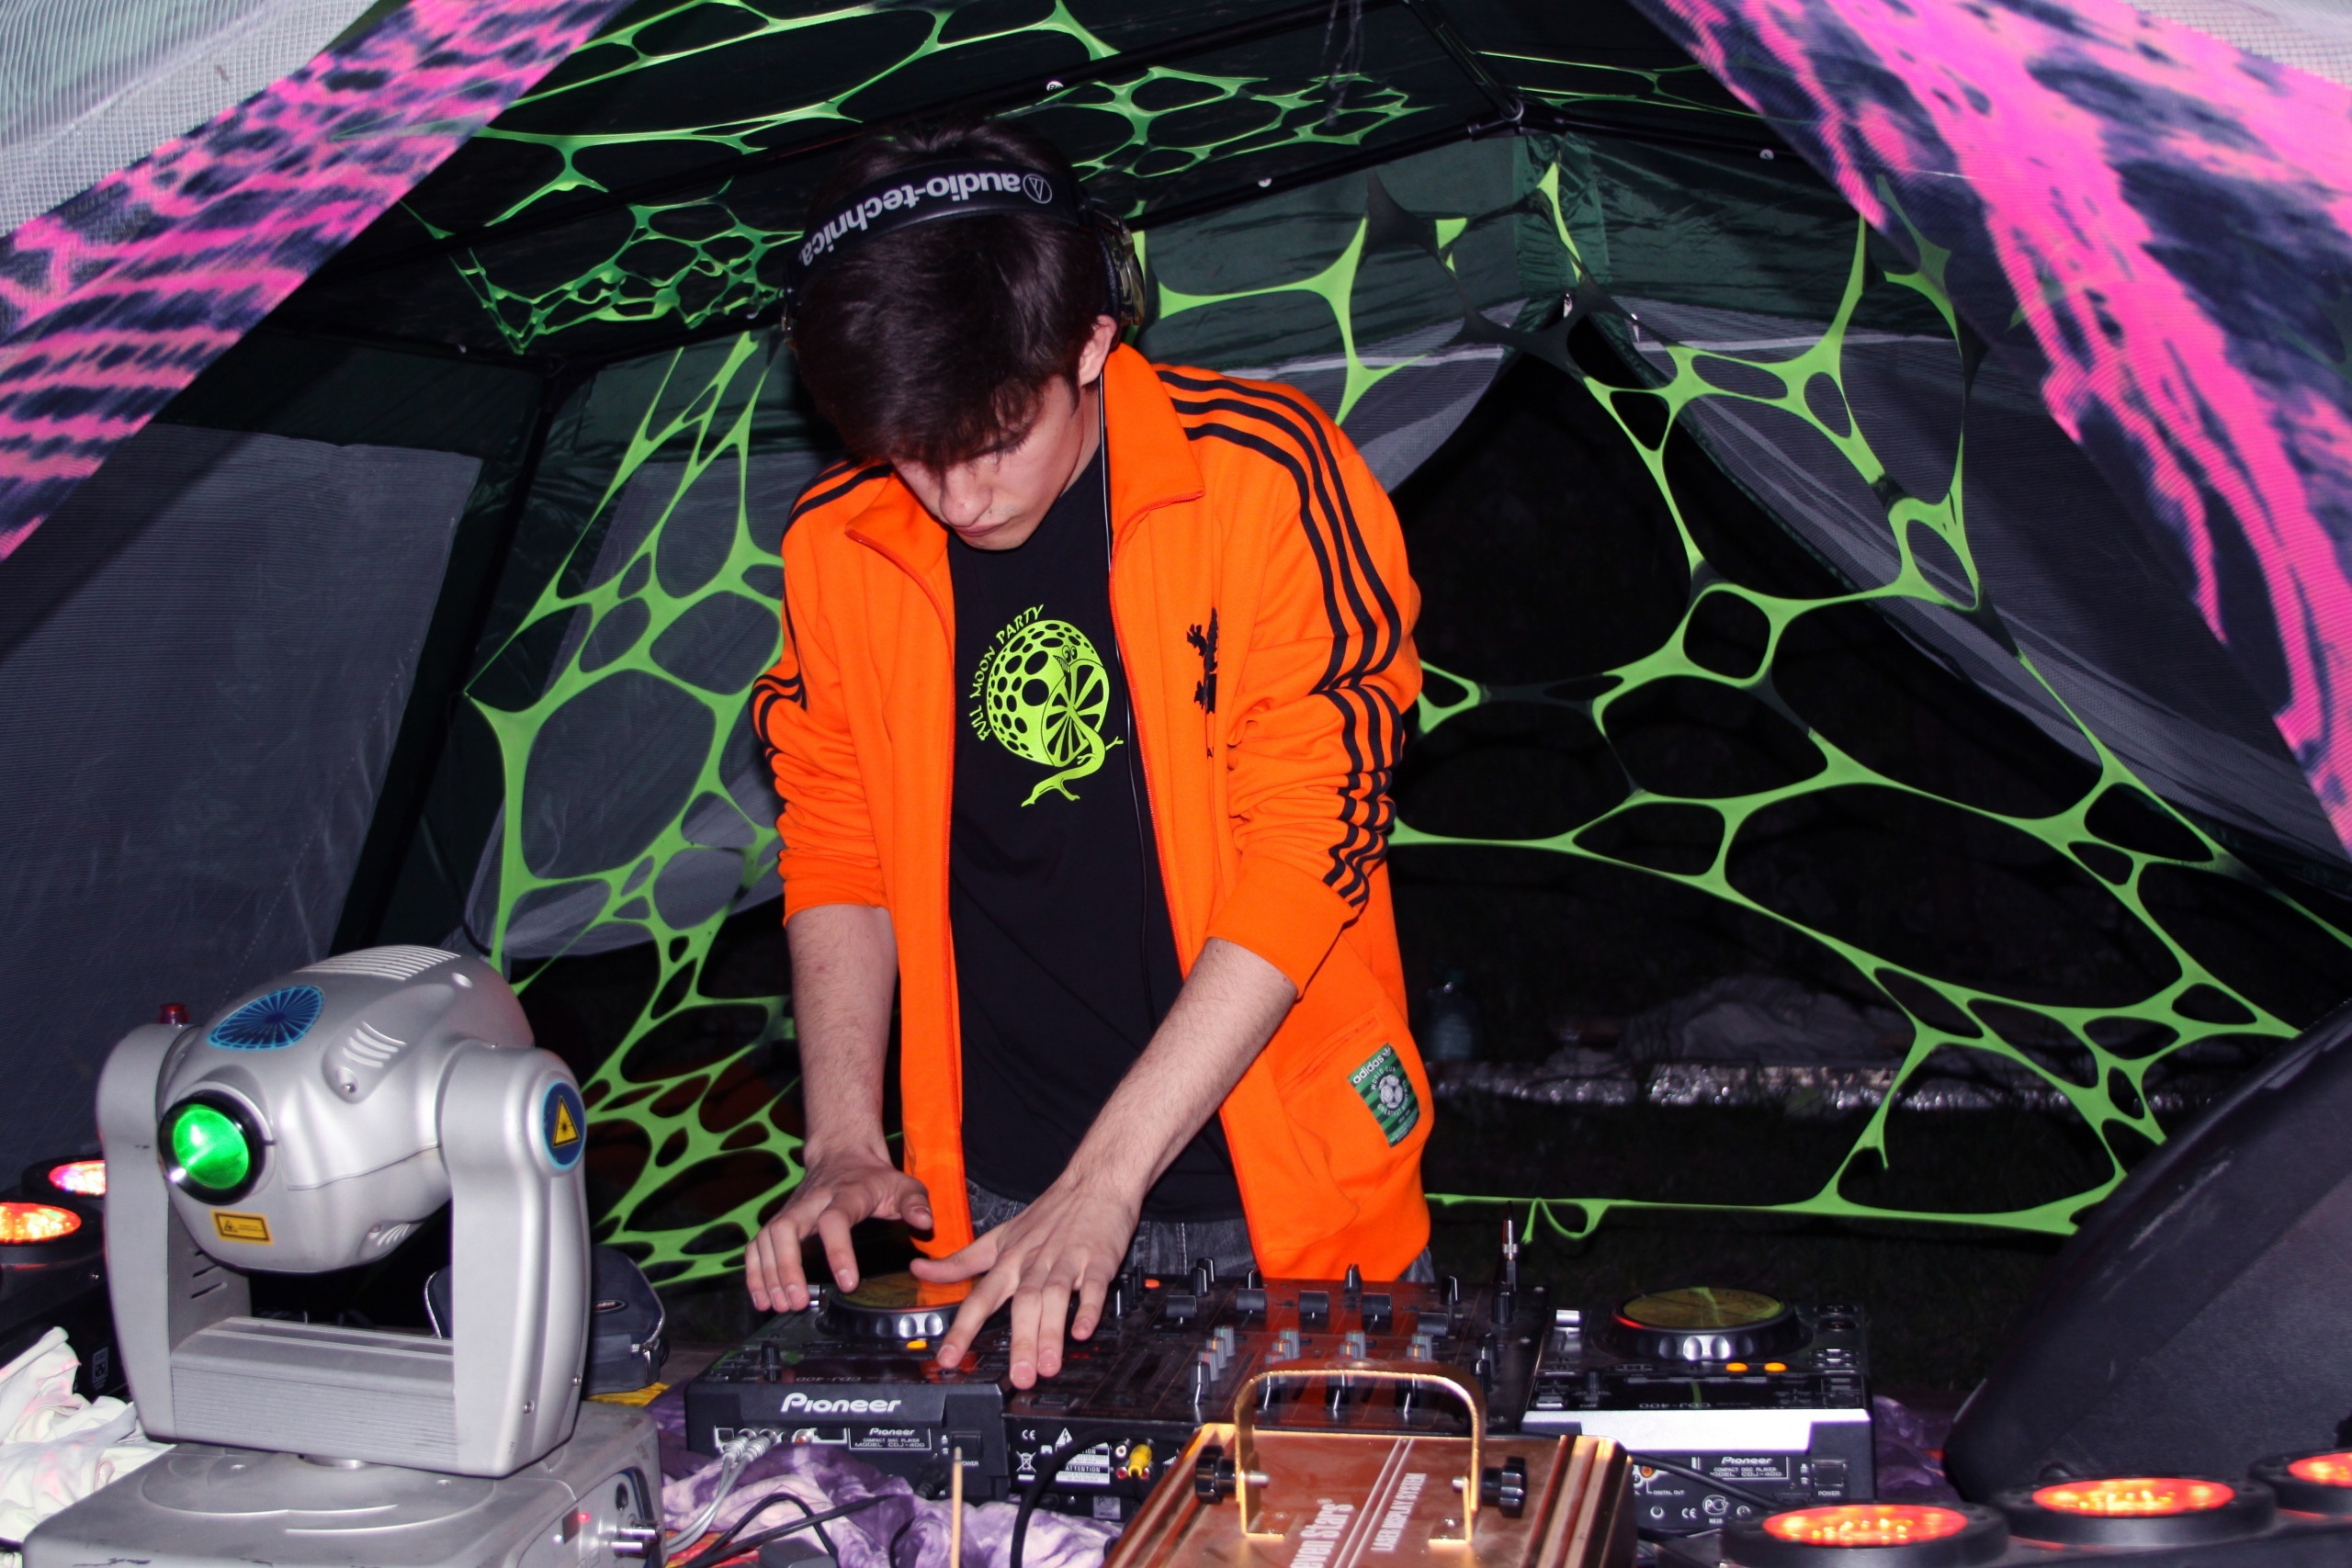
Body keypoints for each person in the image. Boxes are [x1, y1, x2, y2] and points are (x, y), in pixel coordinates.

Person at [744, 116, 1431, 1389]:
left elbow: (1309, 848)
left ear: (1094, 342)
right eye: (911, 453)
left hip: (1275, 1198)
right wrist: (841, 1139)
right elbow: (836, 839)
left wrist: (1106, 1181)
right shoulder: (836, 543)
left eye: (996, 440)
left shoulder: (1265, 482)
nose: (957, 498)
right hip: (991, 1201)